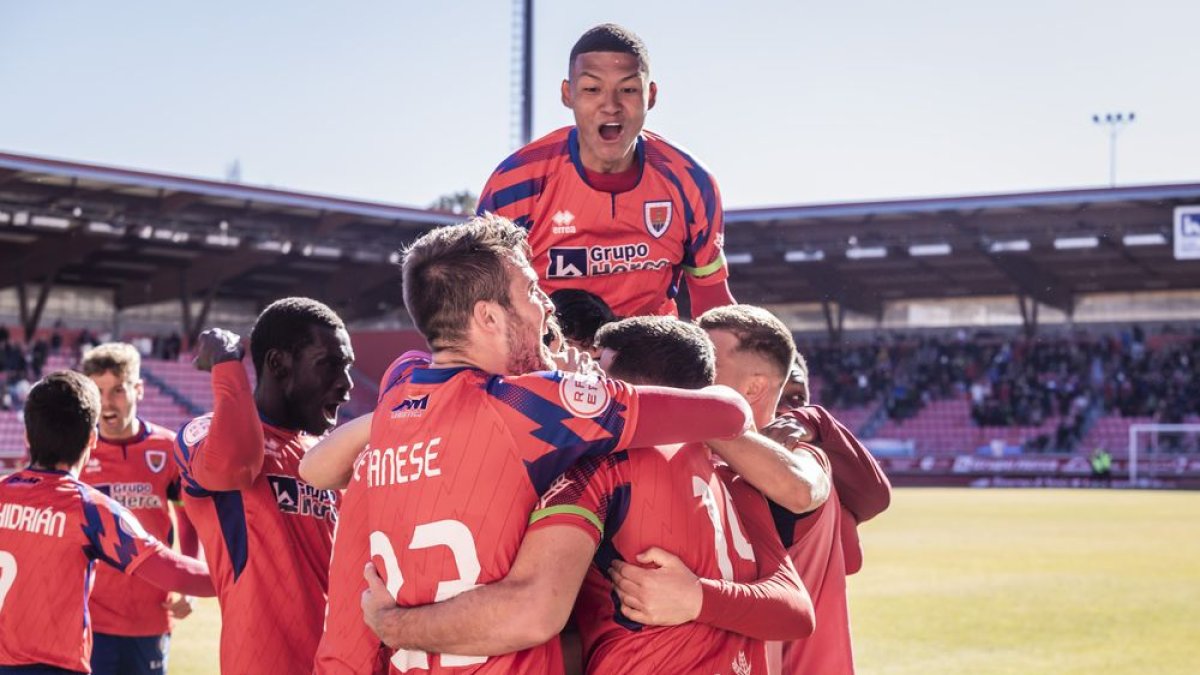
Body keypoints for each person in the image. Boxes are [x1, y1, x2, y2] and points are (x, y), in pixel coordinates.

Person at [309, 215, 753, 674]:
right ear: (487, 316)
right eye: (531, 291)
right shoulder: (533, 405)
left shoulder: (402, 382)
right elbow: (729, 414)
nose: (546, 306)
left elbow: (315, 470)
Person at [529, 316, 819, 674]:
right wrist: (702, 598)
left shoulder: (600, 472)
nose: (591, 387)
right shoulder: (735, 480)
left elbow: (533, 615)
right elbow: (796, 613)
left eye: (601, 378)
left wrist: (696, 597)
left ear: (631, 389)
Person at [477, 23, 734, 319]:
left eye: (627, 89)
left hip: (650, 354)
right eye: (592, 89)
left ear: (650, 95)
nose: (610, 106)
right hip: (549, 355)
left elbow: (713, 302)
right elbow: (485, 306)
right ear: (567, 93)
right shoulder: (515, 183)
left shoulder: (691, 182)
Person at [696, 306, 891, 674]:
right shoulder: (709, 459)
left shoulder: (800, 463)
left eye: (707, 364)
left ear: (755, 387)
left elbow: (805, 492)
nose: (692, 373)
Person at [173, 298, 354, 675]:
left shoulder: (325, 456)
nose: (346, 385)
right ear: (277, 364)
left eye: (348, 367)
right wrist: (227, 366)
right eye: (330, 365)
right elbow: (235, 467)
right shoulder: (205, 434)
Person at [0, 371, 213, 675]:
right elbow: (171, 570)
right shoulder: (91, 509)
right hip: (56, 667)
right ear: (92, 438)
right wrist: (238, 575)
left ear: (26, 436)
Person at [79, 344, 198, 675]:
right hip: (91, 615)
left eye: (117, 389)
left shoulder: (168, 448)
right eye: (97, 391)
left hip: (150, 614)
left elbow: (189, 521)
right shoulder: (78, 450)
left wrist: (188, 582)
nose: (106, 401)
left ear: (139, 389)